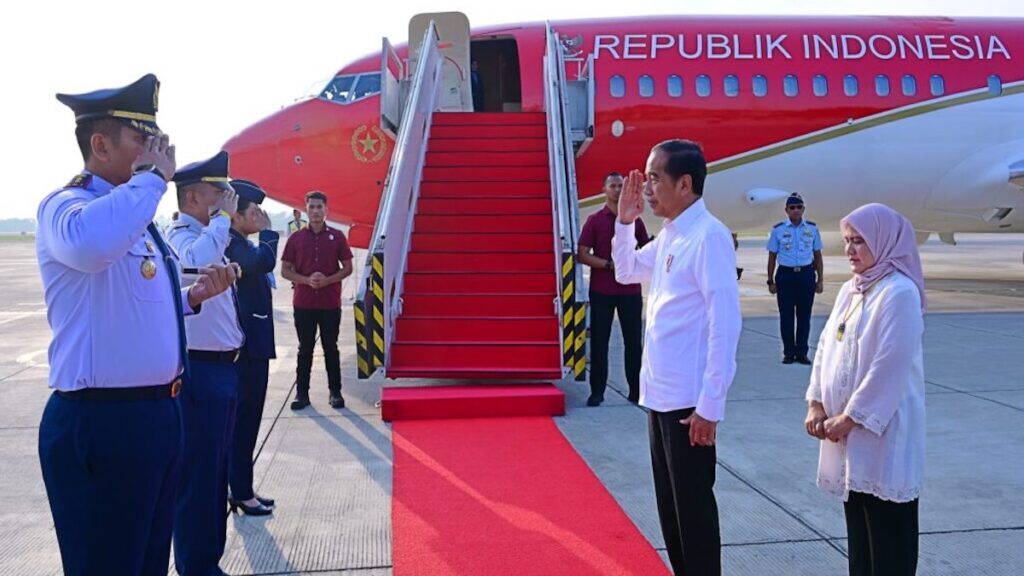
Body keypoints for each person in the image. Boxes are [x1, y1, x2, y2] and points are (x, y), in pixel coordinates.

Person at [38, 73, 236, 576]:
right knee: (108, 563)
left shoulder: (137, 220)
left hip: (155, 417)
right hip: (102, 422)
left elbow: (140, 302)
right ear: (99, 144)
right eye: (140, 139)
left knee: (147, 562)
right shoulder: (67, 207)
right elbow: (91, 248)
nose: (155, 150)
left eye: (156, 140)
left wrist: (191, 298)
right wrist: (152, 179)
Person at [612, 140, 741, 576]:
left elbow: (726, 326)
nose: (646, 188)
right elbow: (627, 270)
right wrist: (625, 224)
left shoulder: (709, 238)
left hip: (689, 405)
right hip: (660, 396)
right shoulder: (672, 235)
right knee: (671, 510)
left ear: (684, 184)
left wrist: (710, 406)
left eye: (654, 179)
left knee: (694, 515)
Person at [805, 203, 926, 576]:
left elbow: (889, 364)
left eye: (860, 241)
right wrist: (817, 403)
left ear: (884, 242)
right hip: (846, 435)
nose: (850, 250)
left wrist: (852, 417)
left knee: (889, 539)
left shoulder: (899, 292)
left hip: (883, 432)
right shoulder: (852, 290)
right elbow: (825, 347)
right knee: (860, 537)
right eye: (847, 241)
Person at [168, 151, 245, 576]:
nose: (228, 201)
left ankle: (207, 562)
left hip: (222, 369)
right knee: (198, 476)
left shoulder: (208, 233)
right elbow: (193, 263)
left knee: (215, 474)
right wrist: (221, 221)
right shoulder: (182, 234)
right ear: (194, 197)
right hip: (200, 371)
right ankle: (196, 566)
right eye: (221, 193)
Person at [225, 179, 279, 517]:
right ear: (236, 216)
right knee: (243, 423)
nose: (259, 216)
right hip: (246, 349)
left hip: (254, 345)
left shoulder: (239, 241)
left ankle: (243, 486)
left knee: (248, 422)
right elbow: (263, 262)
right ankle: (241, 492)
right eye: (254, 211)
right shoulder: (233, 244)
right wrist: (270, 233)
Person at [578, 171, 649, 405]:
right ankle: (597, 392)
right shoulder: (594, 221)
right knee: (600, 342)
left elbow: (644, 250)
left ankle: (636, 391)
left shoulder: (635, 222)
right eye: (613, 186)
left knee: (633, 344)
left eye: (620, 186)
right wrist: (609, 265)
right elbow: (582, 254)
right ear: (604, 190)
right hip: (602, 291)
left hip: (629, 292)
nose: (617, 190)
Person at [281, 190, 354, 410]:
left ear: (326, 210)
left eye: (319, 207)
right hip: (303, 303)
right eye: (311, 207)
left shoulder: (338, 237)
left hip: (330, 303)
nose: (315, 211)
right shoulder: (296, 238)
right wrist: (306, 279)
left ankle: (335, 393)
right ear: (306, 210)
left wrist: (328, 280)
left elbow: (348, 267)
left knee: (331, 347)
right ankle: (302, 394)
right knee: (305, 349)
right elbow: (285, 270)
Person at [767, 193, 823, 364]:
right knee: (786, 316)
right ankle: (789, 353)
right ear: (786, 210)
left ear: (803, 209)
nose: (796, 210)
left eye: (799, 207)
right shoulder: (778, 230)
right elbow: (772, 257)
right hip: (785, 276)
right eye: (792, 207)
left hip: (806, 275)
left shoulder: (812, 229)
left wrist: (820, 279)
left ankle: (802, 353)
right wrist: (770, 281)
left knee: (804, 316)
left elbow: (817, 255)